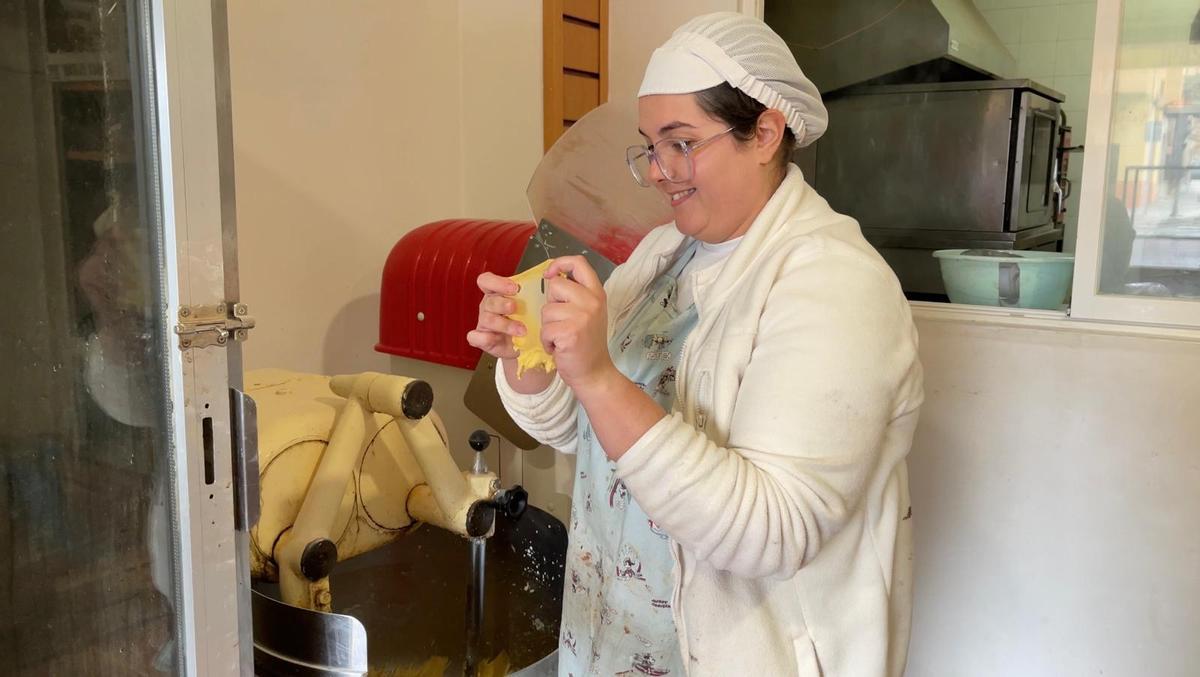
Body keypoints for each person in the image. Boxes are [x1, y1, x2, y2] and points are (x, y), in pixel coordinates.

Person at [468, 12, 923, 676]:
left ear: (765, 132)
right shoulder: (665, 251)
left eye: (681, 143)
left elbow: (771, 529)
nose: (657, 172)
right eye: (650, 145)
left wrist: (598, 377)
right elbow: (586, 436)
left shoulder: (834, 283)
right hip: (607, 637)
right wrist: (531, 361)